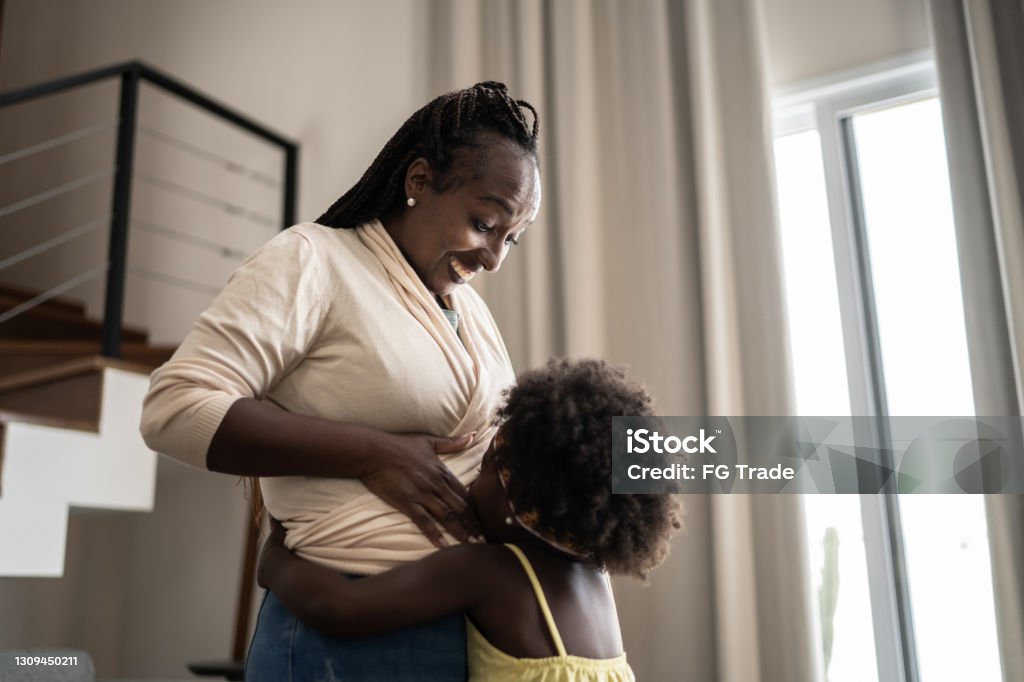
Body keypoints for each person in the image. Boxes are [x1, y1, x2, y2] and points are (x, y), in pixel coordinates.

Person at [140, 81, 542, 680]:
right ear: (419, 181)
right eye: (485, 223)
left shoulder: (467, 310)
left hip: (464, 629)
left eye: (512, 238)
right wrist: (372, 454)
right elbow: (174, 408)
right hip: (343, 633)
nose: (494, 258)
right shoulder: (315, 260)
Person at [257, 359, 684, 682]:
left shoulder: (491, 570)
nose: (468, 481)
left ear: (522, 510)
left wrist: (275, 558)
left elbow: (341, 608)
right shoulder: (597, 572)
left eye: (484, 470)